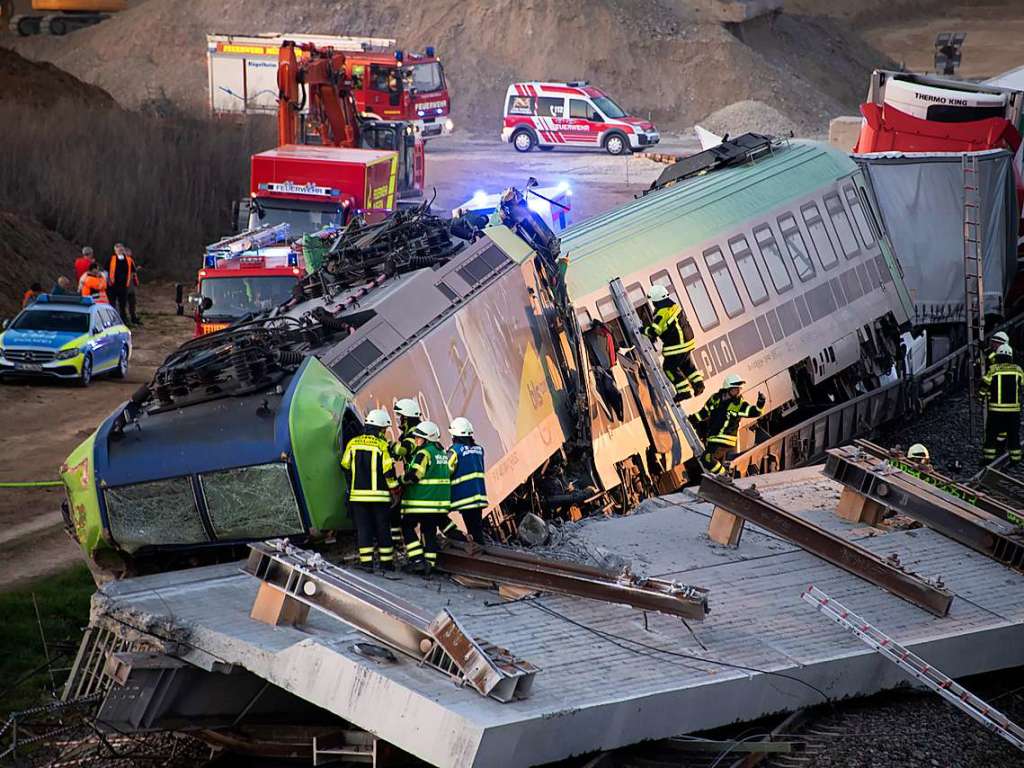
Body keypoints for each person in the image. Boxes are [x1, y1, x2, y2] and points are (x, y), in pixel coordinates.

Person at [340, 409, 400, 572]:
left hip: (358, 497)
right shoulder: (382, 446)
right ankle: (386, 564)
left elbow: (344, 465)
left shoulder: (353, 443)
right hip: (379, 498)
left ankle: (366, 563)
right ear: (380, 429)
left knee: (364, 529)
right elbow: (388, 471)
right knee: (382, 529)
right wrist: (395, 491)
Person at [400, 421, 451, 574]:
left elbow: (414, 476)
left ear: (427, 439)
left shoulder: (424, 453)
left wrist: (399, 481)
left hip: (421, 502)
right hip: (437, 503)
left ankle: (417, 560)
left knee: (407, 526)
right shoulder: (441, 453)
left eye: (419, 438)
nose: (416, 440)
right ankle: (430, 564)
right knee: (429, 532)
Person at [690, 373, 765, 475]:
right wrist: (693, 419)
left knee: (707, 459)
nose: (738, 391)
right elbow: (704, 412)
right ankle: (720, 478)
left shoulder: (738, 404)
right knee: (714, 463)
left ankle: (724, 476)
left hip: (725, 440)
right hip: (713, 438)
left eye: (739, 388)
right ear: (727, 389)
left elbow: (754, 412)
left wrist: (760, 403)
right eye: (735, 389)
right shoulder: (715, 399)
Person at [643, 284, 704, 402]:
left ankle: (684, 391)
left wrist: (642, 330)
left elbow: (654, 331)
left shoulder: (662, 312)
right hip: (687, 342)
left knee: (669, 368)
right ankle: (699, 385)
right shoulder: (674, 306)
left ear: (655, 300)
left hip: (677, 346)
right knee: (687, 365)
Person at [446, 417, 488, 544]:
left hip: (464, 499)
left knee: (473, 531)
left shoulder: (454, 452)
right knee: (477, 530)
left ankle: (477, 555)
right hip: (479, 497)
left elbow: (446, 472)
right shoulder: (479, 449)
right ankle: (482, 553)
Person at [979, 343, 1023, 466]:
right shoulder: (1018, 370)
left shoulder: (993, 370)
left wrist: (981, 396)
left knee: (991, 434)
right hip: (1014, 411)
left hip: (996, 411)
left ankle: (988, 459)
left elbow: (984, 386)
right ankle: (1015, 459)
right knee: (1014, 435)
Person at [389, 398, 422, 549]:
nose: (400, 420)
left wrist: (390, 446)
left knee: (406, 521)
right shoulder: (413, 432)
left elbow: (404, 450)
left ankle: (414, 556)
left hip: (415, 481)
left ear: (407, 417)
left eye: (401, 417)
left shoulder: (414, 434)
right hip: (415, 481)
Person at [108, 244, 135, 323]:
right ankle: (112, 320)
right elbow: (106, 270)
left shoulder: (129, 260)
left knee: (122, 305)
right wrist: (108, 281)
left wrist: (130, 283)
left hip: (124, 286)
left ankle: (123, 320)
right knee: (112, 304)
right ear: (115, 250)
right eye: (118, 249)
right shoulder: (111, 259)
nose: (120, 251)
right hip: (113, 286)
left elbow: (133, 272)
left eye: (121, 249)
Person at [125, 249, 142, 324]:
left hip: (131, 285)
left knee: (132, 302)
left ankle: (133, 317)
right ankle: (128, 318)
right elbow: (131, 272)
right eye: (129, 252)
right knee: (126, 303)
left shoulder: (130, 260)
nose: (130, 253)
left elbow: (133, 272)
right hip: (126, 285)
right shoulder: (125, 261)